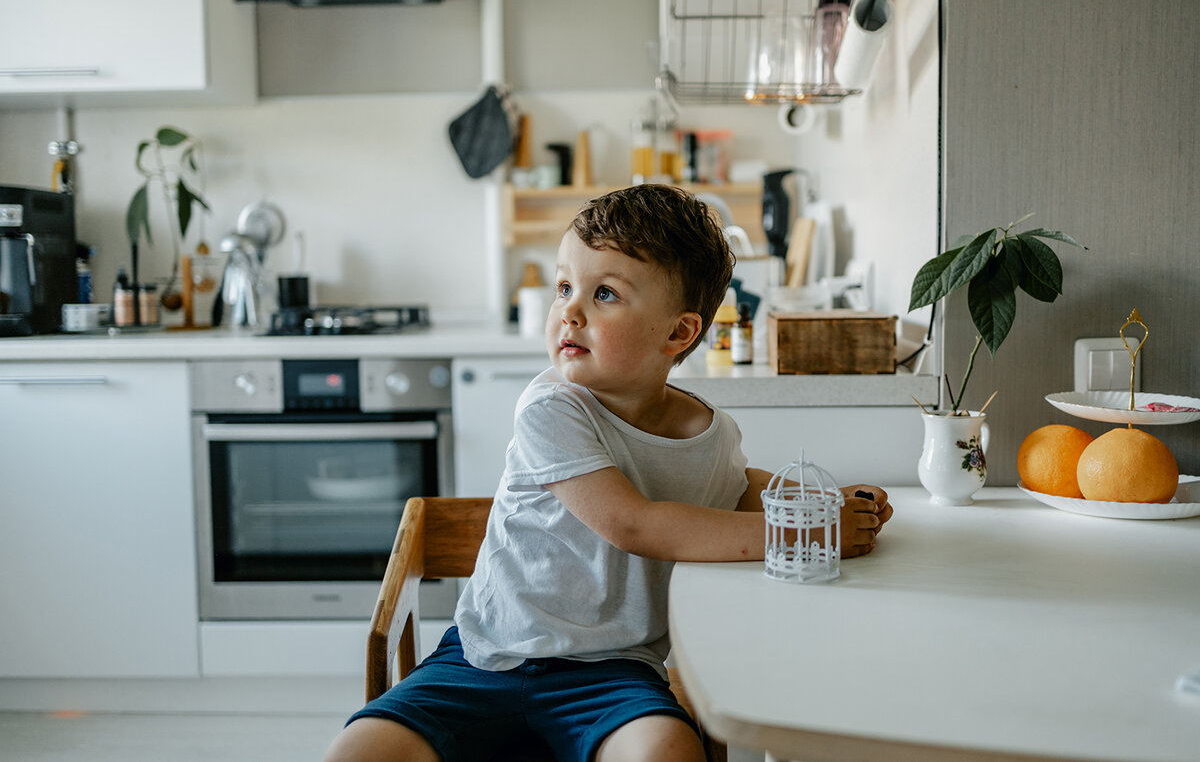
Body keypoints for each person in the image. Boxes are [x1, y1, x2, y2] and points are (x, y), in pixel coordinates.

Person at [323, 184, 891, 762]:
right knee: (357, 751)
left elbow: (738, 487)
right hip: (486, 657)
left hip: (613, 673)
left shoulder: (708, 431)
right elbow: (634, 525)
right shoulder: (551, 406)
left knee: (666, 750)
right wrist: (805, 532)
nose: (569, 310)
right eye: (565, 287)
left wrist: (823, 502)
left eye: (605, 295)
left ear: (678, 333)